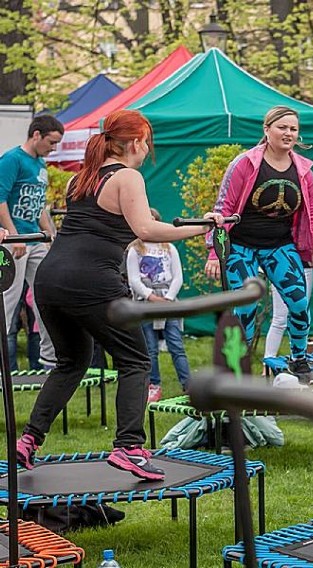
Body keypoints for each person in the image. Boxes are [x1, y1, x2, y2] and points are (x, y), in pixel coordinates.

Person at [15, 109, 222, 481]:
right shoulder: (127, 176)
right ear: (137, 142)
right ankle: (129, 447)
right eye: (148, 144)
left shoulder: (81, 178)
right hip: (91, 280)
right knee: (135, 360)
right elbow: (146, 229)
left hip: (50, 279)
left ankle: (29, 439)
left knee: (71, 362)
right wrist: (201, 227)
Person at [206, 106, 313, 384]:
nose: (288, 133)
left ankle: (298, 358)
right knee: (245, 309)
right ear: (267, 130)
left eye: (293, 129)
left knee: (299, 303)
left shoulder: (304, 171)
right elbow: (223, 207)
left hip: (279, 245)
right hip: (242, 245)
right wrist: (214, 252)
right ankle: (239, 368)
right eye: (282, 127)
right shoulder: (245, 163)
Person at [0, 115, 62, 370]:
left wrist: (52, 235)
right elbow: (0, 200)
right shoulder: (12, 160)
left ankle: (51, 359)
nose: (54, 148)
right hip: (13, 241)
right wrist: (14, 235)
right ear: (36, 135)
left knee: (47, 296)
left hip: (36, 241)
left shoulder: (41, 165)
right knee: (7, 302)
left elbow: (39, 207)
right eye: (52, 142)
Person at [126, 208, 192, 401]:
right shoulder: (134, 250)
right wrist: (150, 297)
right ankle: (153, 385)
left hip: (168, 302)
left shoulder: (169, 248)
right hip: (146, 305)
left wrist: (168, 298)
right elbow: (134, 280)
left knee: (176, 346)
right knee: (150, 348)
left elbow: (178, 277)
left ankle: (188, 385)